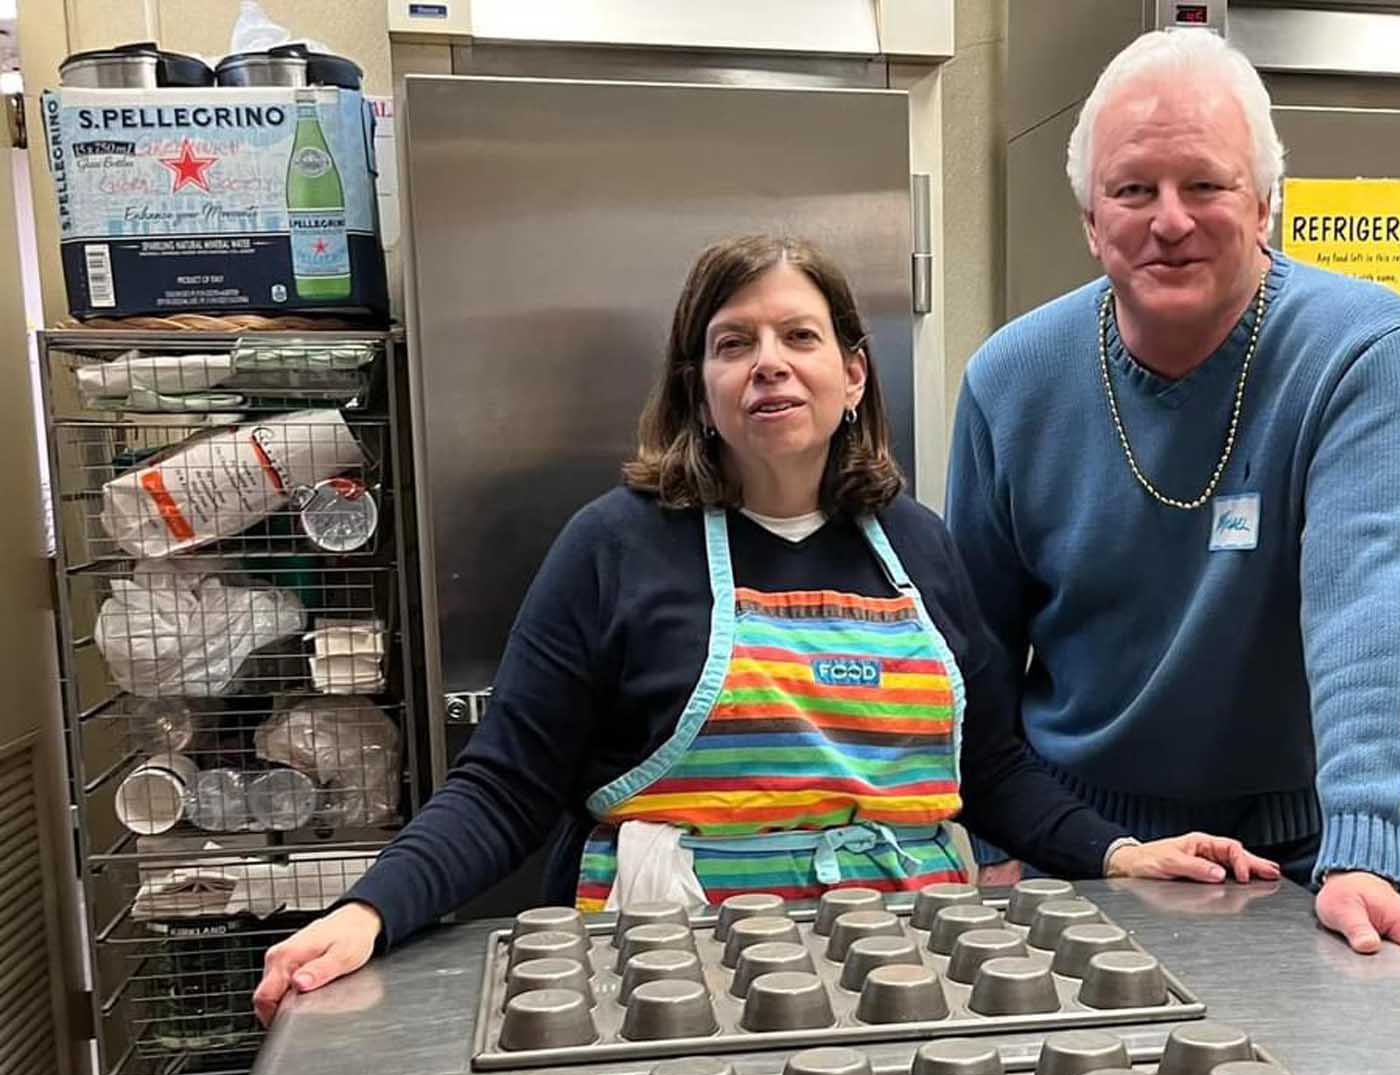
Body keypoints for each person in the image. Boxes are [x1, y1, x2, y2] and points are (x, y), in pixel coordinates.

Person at [255, 235, 1276, 1011]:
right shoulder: (614, 547)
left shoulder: (917, 546)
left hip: (912, 968)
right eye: (733, 343)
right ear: (699, 390)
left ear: (853, 374)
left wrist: (1115, 852)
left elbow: (993, 770)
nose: (769, 363)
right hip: (671, 978)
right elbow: (507, 783)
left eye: (800, 336)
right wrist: (371, 908)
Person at [946, 29, 1400, 969]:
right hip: (1076, 848)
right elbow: (976, 658)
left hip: (1297, 855)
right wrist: (991, 837)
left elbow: (1364, 610)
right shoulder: (1008, 379)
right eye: (1134, 190)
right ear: (1091, 221)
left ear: (1264, 204)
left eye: (1205, 185)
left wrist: (1363, 848)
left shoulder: (1361, 348)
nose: (1169, 220)